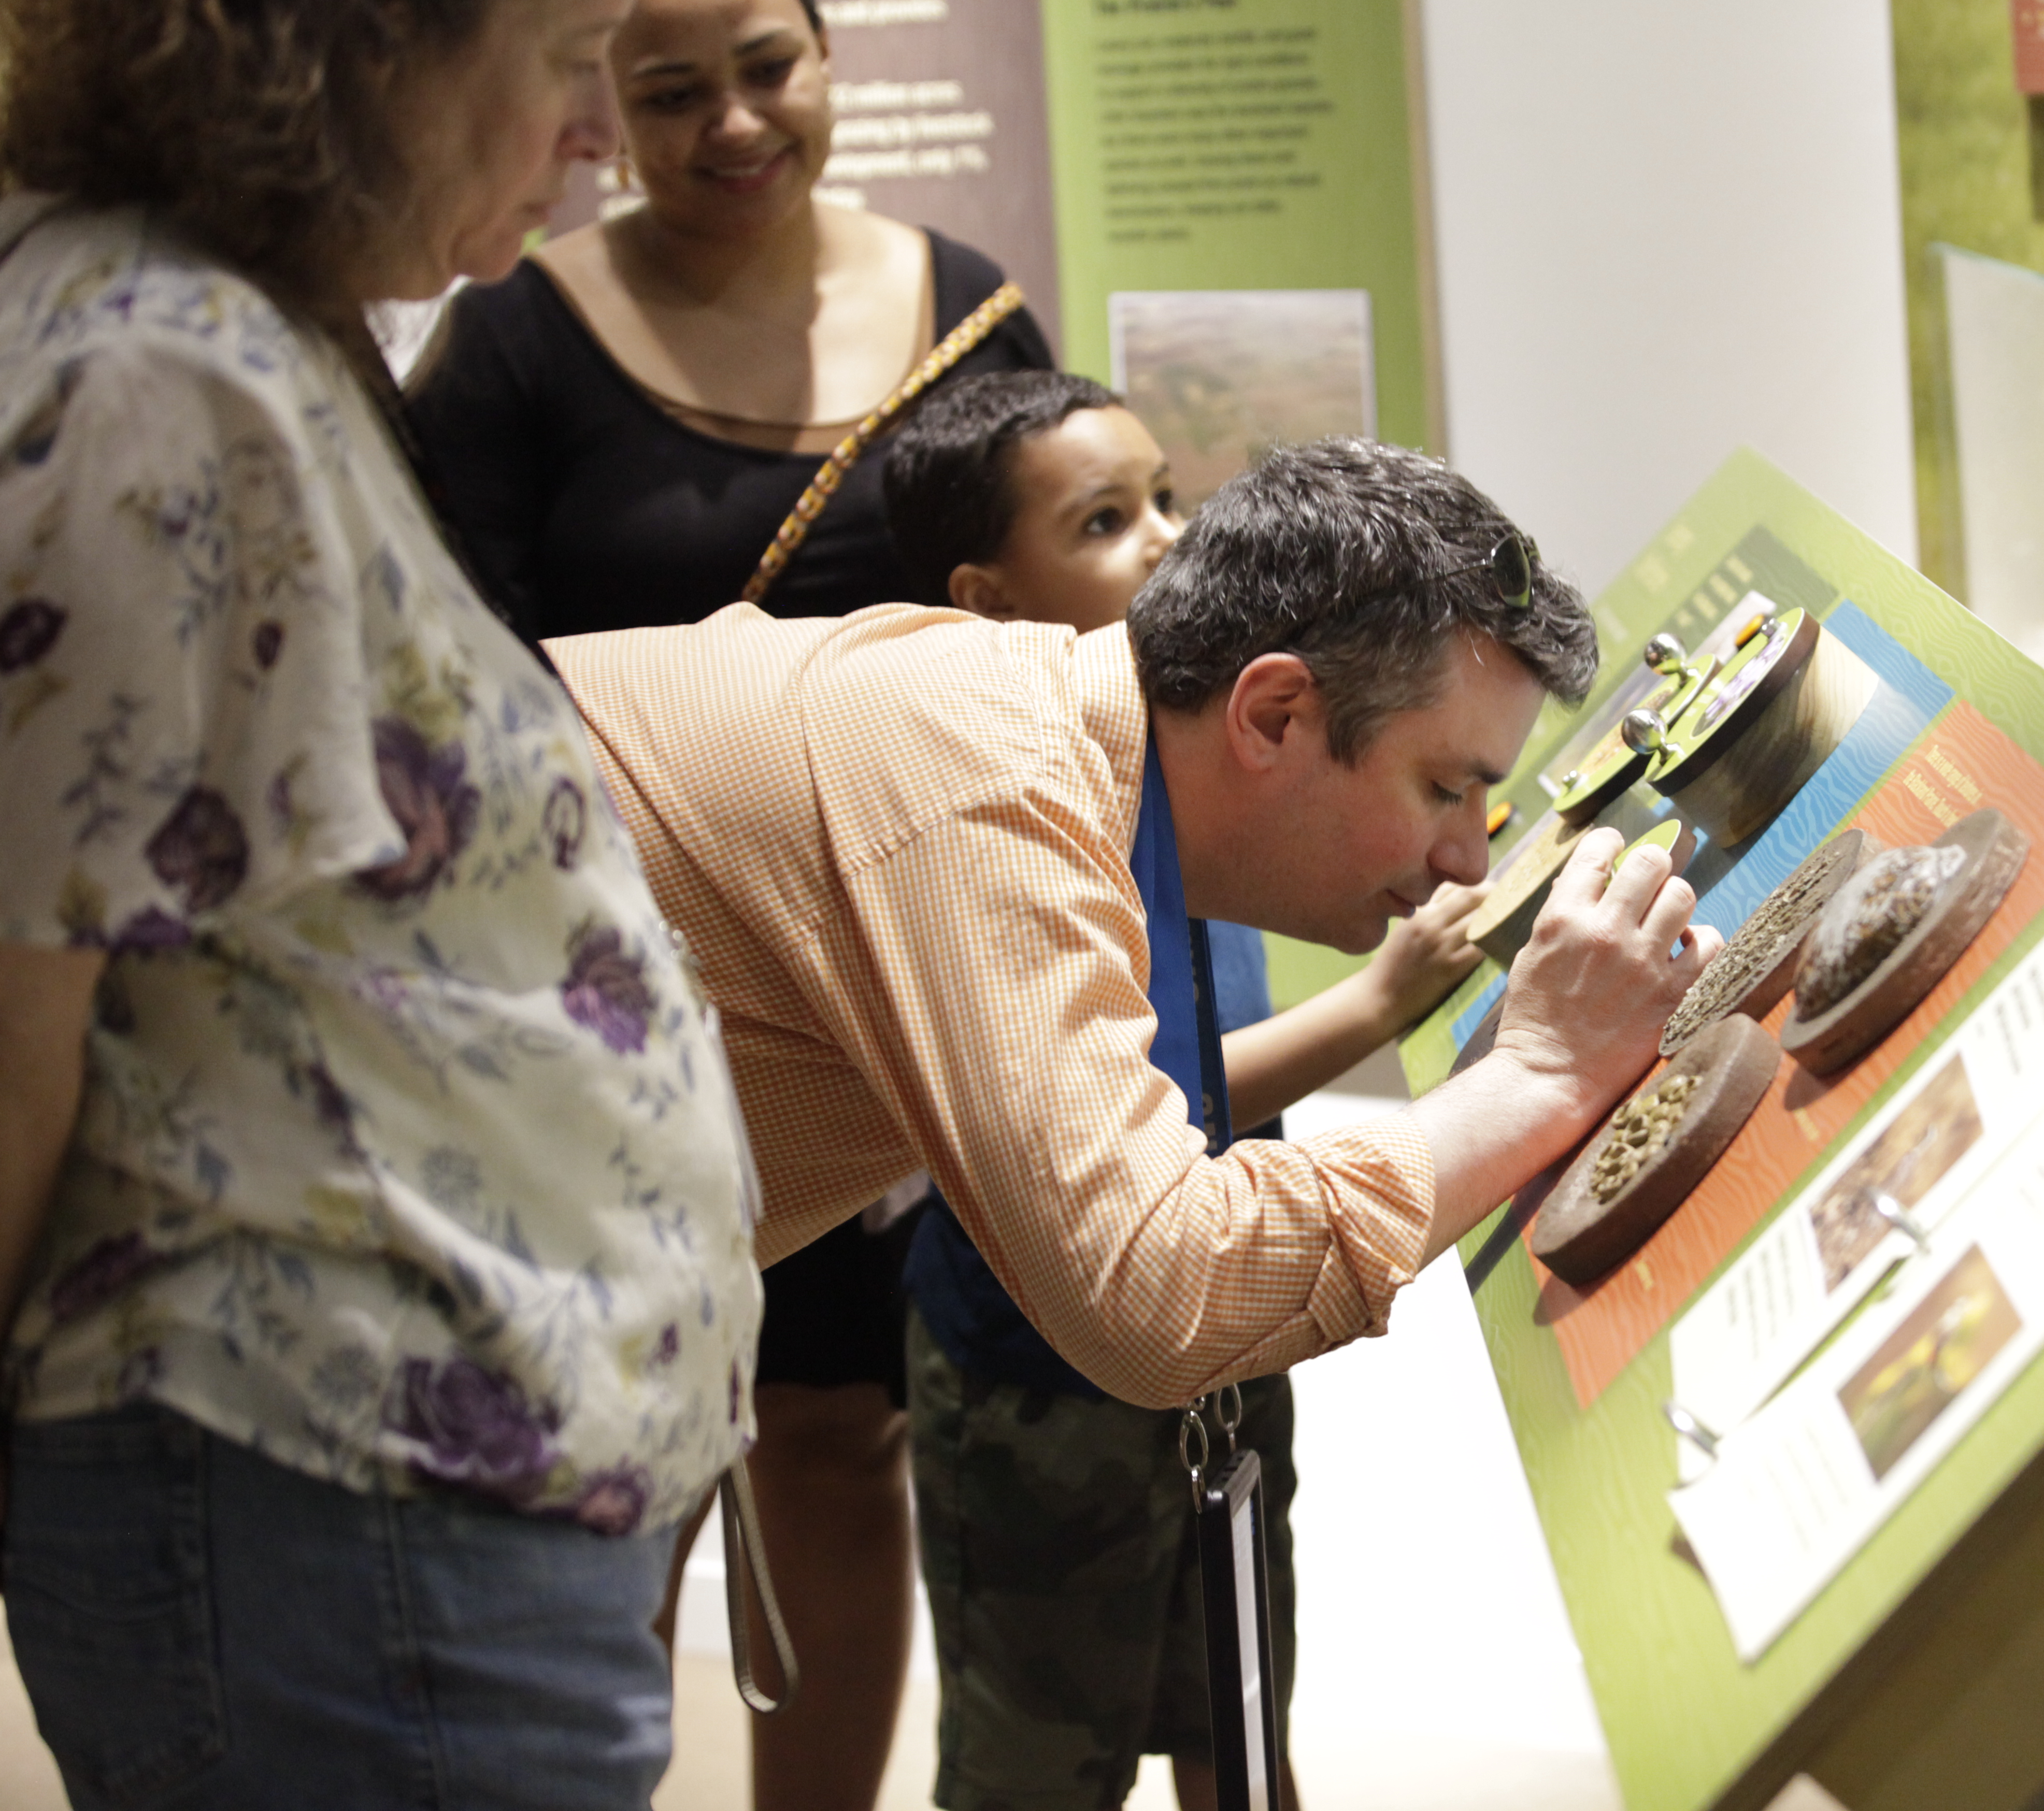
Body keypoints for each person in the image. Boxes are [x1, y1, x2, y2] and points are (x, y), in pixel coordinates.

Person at [0, 0, 761, 1809]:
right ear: (357, 30)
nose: (603, 134)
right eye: (576, 59)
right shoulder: (154, 376)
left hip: (395, 1528)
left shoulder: (238, 323)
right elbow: (13, 1024)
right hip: (328, 1519)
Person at [403, 0, 1057, 1804]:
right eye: (664, 86)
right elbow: (445, 687)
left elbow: (1042, 621)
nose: (731, 125)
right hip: (594, 1020)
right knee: (615, 1456)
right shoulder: (516, 344)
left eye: (765, 67)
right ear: (599, 98)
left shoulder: (967, 309)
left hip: (867, 1002)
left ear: (828, 52)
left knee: (845, 1435)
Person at [547, 432, 1712, 1412]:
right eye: (1443, 788)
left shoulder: (1041, 743)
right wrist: (1544, 1073)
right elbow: (1163, 1289)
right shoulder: (987, 777)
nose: (1468, 857)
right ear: (1274, 714)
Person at [880, 372, 1489, 1810]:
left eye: (1166, 498)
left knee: (1240, 1709)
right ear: (986, 597)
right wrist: (1380, 1009)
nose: (1164, 540)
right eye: (1104, 520)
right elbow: (1152, 1094)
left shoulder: (1184, 747)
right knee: (1036, 1763)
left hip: (1211, 1333)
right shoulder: (1007, 819)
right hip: (1045, 1385)